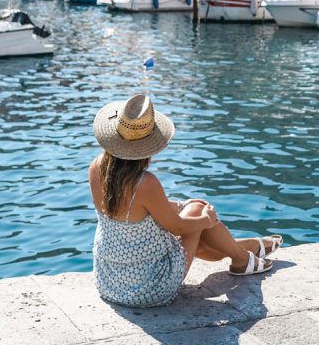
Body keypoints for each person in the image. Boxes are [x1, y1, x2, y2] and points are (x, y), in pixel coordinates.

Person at [89, 94, 281, 308]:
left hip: (110, 281)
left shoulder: (97, 167)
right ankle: (242, 259)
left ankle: (246, 251)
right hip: (149, 287)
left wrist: (180, 208)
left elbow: (132, 210)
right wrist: (206, 219)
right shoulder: (145, 182)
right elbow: (178, 226)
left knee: (198, 225)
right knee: (198, 210)